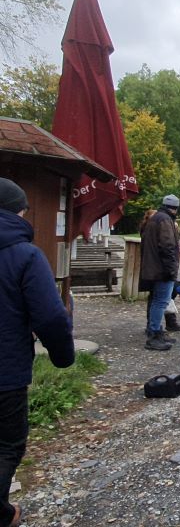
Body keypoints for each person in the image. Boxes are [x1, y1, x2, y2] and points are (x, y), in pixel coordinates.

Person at [0, 178, 75, 527]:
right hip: (5, 371)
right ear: (17, 209)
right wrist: (63, 356)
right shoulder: (25, 254)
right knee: (6, 445)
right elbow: (50, 316)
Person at [139, 195, 180, 351]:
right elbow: (168, 247)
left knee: (157, 300)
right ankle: (154, 335)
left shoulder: (156, 217)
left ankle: (155, 331)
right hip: (161, 270)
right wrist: (171, 270)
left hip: (153, 268)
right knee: (161, 301)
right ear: (176, 208)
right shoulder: (165, 220)